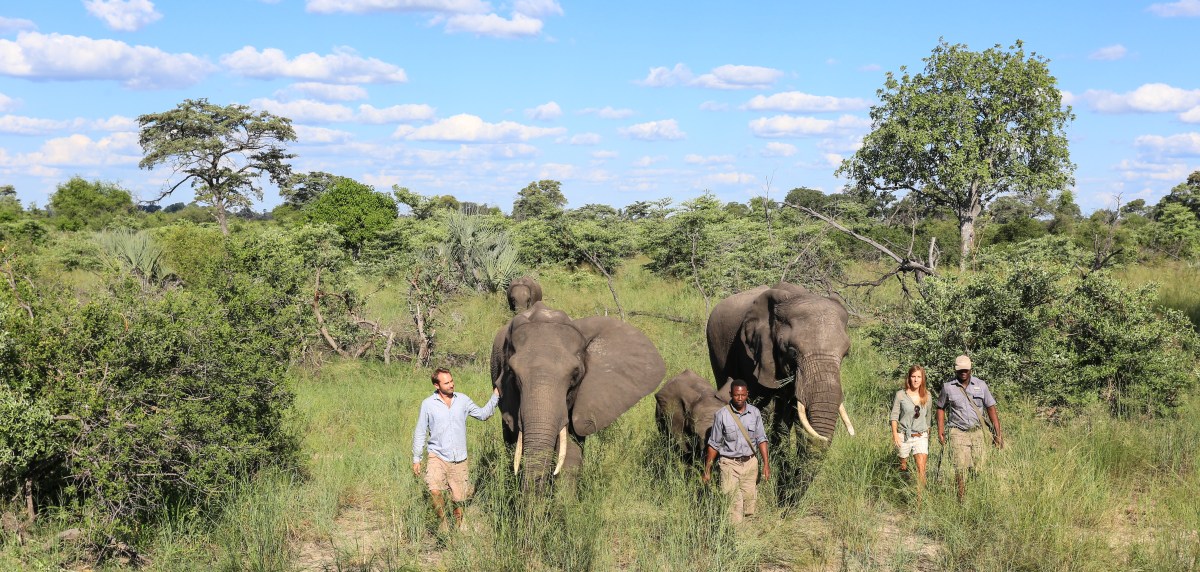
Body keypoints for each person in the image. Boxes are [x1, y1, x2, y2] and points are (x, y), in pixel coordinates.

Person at [412, 367, 499, 532]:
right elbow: (420, 431)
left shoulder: (463, 400)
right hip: (437, 456)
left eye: (452, 381)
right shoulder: (428, 404)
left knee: (458, 500)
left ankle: (458, 527)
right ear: (437, 385)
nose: (451, 385)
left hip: (459, 458)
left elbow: (483, 414)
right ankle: (443, 522)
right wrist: (417, 458)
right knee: (435, 490)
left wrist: (495, 396)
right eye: (447, 383)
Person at [936, 355, 1004, 502]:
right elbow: (940, 408)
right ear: (955, 370)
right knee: (959, 467)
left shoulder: (981, 385)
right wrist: (940, 430)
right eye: (960, 370)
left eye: (966, 369)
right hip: (957, 432)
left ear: (971, 368)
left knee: (979, 466)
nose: (963, 372)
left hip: (978, 432)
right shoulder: (948, 387)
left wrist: (998, 434)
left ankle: (976, 496)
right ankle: (961, 498)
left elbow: (991, 408)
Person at [702, 379, 769, 524]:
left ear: (747, 394)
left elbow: (761, 439)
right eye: (736, 395)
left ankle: (746, 535)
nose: (740, 398)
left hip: (750, 464)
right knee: (734, 504)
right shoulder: (721, 415)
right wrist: (707, 469)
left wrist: (766, 464)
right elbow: (713, 444)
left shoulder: (755, 413)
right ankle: (736, 539)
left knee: (749, 505)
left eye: (743, 395)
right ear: (730, 394)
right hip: (729, 464)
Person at [890, 364, 932, 490]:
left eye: (919, 377)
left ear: (922, 378)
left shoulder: (927, 396)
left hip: (921, 436)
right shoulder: (901, 395)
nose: (916, 380)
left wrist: (927, 436)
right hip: (904, 435)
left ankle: (920, 502)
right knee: (903, 467)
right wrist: (895, 435)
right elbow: (894, 416)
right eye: (913, 376)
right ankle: (902, 489)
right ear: (909, 378)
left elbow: (928, 418)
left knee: (921, 469)